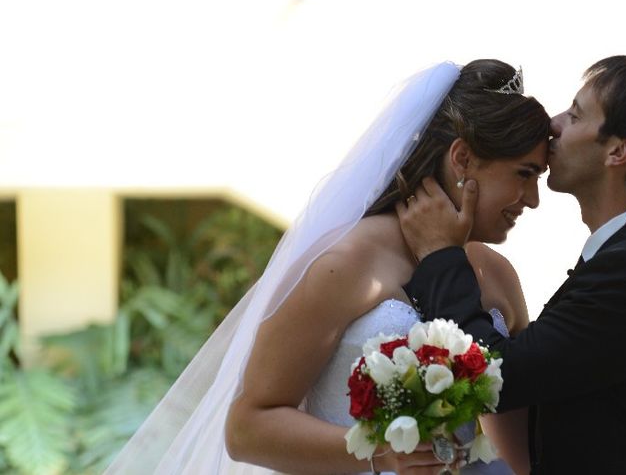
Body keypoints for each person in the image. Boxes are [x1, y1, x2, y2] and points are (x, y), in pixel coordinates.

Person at [105, 60, 550, 474]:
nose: (532, 200)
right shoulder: (345, 263)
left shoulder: (499, 277)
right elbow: (246, 428)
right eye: (524, 174)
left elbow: (523, 451)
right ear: (463, 159)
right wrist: (380, 450)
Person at [397, 55, 626, 474]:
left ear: (619, 151)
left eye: (576, 114)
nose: (554, 123)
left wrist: (440, 255)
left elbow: (497, 377)